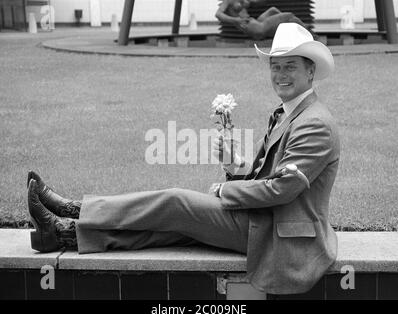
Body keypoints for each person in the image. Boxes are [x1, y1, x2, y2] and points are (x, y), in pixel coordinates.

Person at [26, 23, 339, 295]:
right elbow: (263, 174)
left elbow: (281, 189)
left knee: (175, 202)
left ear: (310, 70)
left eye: (290, 66)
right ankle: (63, 233)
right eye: (275, 66)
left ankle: (75, 209)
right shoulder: (290, 114)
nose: (280, 74)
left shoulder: (314, 123)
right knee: (170, 225)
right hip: (264, 219)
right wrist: (235, 164)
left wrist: (224, 191)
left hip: (280, 234)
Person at [215, 0, 311, 40]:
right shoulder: (227, 1)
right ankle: (304, 28)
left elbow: (258, 2)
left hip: (254, 21)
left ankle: (288, 28)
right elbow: (218, 14)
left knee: (272, 10)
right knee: (288, 15)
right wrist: (236, 20)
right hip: (251, 27)